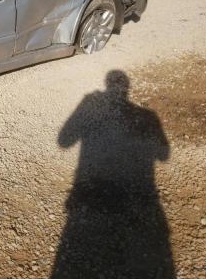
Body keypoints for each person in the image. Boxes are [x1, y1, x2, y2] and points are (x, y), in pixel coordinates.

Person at [51, 70, 174, 279]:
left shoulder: (90, 102)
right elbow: (163, 154)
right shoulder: (148, 116)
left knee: (86, 251)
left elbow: (64, 140)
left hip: (89, 196)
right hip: (138, 195)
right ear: (127, 88)